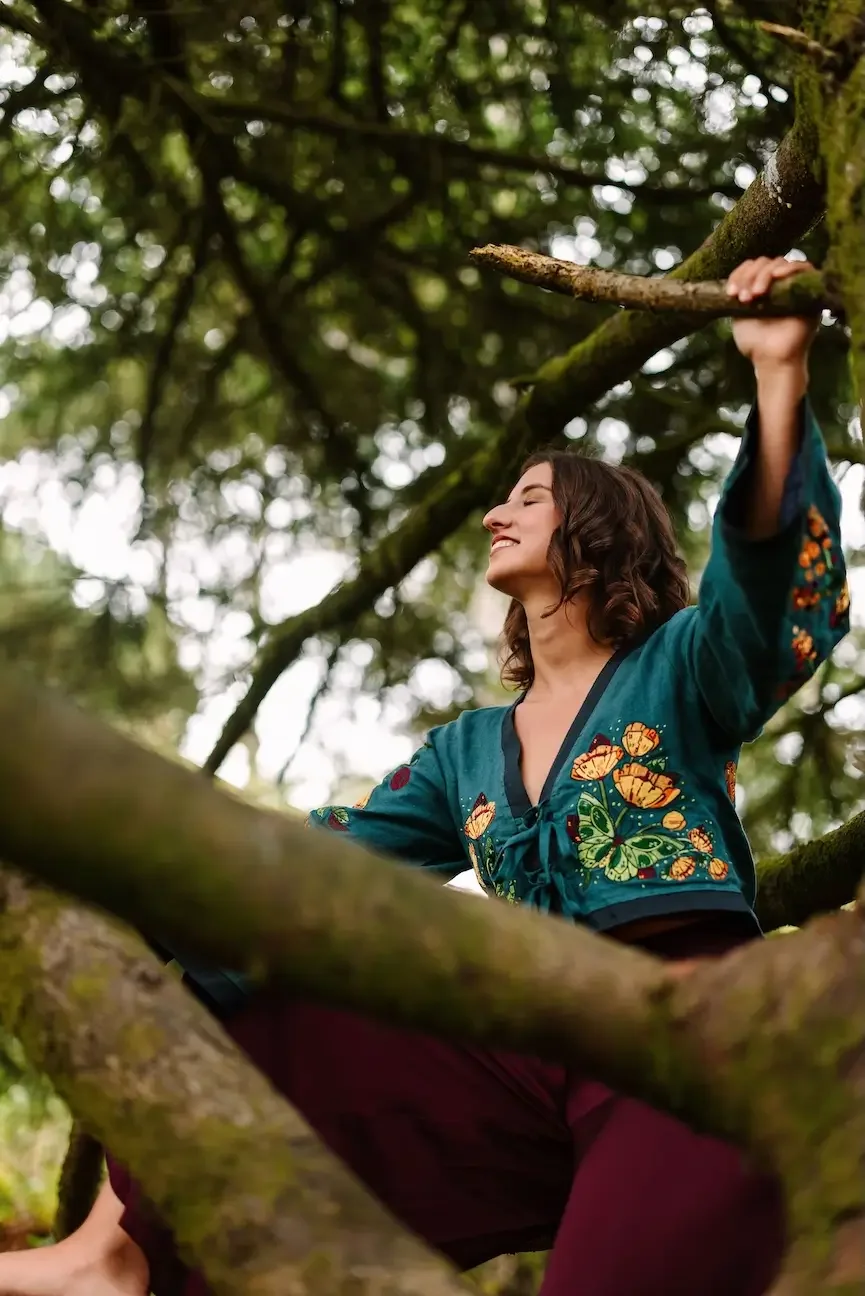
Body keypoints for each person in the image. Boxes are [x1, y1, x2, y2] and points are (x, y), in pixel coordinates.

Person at [0, 256, 850, 1296]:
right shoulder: (464, 753)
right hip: (526, 1056)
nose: (496, 515)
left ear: (599, 529)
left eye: (528, 499)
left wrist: (776, 373)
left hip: (693, 1049)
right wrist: (108, 869)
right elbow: (307, 876)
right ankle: (112, 1257)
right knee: (266, 1013)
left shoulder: (675, 667)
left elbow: (759, 595)